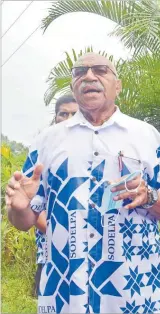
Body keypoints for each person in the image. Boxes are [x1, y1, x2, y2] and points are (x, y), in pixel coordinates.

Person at [5, 52, 160, 313]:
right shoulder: (48, 141)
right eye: (80, 72)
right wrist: (19, 209)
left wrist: (149, 196)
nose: (89, 76)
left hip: (134, 290)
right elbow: (24, 221)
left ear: (117, 86)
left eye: (100, 70)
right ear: (73, 86)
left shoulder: (145, 136)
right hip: (66, 289)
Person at [33, 94, 79, 297]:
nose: (68, 118)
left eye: (74, 114)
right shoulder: (45, 148)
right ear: (56, 118)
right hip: (52, 249)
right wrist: (57, 233)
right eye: (63, 114)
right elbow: (34, 200)